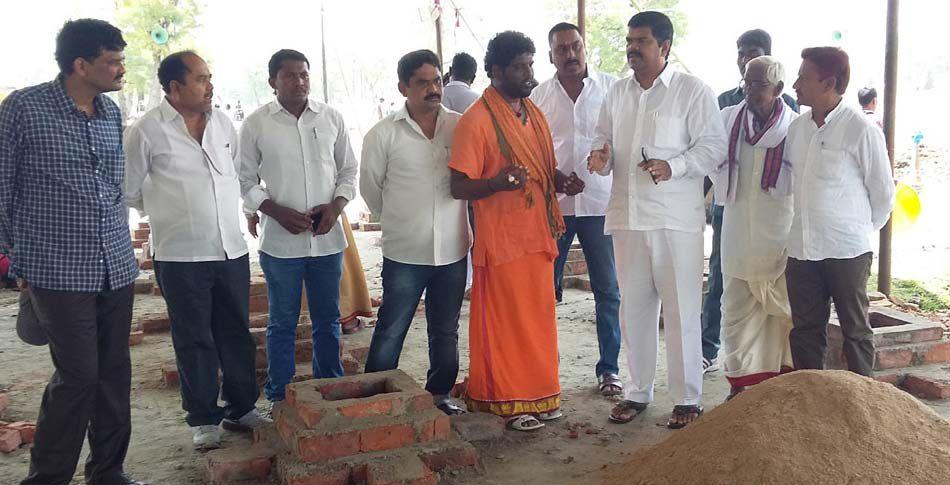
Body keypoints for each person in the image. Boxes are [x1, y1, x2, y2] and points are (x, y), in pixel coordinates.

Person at [0, 19, 146, 485]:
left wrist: (125, 249)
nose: (121, 70)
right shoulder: (24, 108)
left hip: (115, 267)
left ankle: (108, 472)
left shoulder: (110, 113)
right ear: (80, 65)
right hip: (56, 271)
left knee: (113, 375)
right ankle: (46, 479)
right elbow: (2, 187)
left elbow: (111, 187)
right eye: (113, 62)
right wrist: (13, 261)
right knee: (79, 376)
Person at [588, 11, 726, 429]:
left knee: (682, 310)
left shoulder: (692, 91)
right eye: (630, 41)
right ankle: (636, 392)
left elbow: (715, 147)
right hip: (628, 218)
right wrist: (601, 154)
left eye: (641, 42)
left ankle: (687, 398)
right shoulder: (617, 93)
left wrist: (677, 166)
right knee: (634, 310)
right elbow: (603, 136)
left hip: (673, 221)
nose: (632, 48)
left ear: (664, 47)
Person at [124, 51, 266, 450]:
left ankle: (241, 407)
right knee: (194, 338)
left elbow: (236, 176)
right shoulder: (146, 130)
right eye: (201, 79)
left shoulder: (222, 122)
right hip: (181, 255)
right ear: (174, 87)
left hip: (230, 250)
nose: (210, 85)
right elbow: (130, 191)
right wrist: (175, 210)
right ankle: (203, 418)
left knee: (236, 333)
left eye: (209, 76)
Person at [449, 31, 583, 431]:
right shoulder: (477, 120)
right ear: (495, 71)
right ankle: (507, 400)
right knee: (508, 324)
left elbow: (541, 169)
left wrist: (563, 182)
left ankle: (542, 394)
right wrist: (496, 184)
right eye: (519, 67)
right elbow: (458, 186)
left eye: (530, 65)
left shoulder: (533, 113)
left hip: (539, 236)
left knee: (539, 319)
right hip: (503, 241)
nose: (529, 74)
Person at [239, 49, 358, 407]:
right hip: (281, 244)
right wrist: (273, 210)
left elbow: (349, 171)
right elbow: (243, 178)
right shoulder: (257, 124)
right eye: (289, 75)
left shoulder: (330, 117)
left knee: (327, 320)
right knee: (282, 324)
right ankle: (279, 396)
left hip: (326, 240)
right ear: (272, 81)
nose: (299, 81)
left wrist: (336, 208)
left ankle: (330, 389)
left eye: (304, 74)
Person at [361, 49, 471, 415]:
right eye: (422, 82)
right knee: (392, 328)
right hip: (405, 251)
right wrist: (400, 221)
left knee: (445, 329)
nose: (433, 88)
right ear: (403, 87)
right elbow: (371, 190)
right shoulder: (383, 135)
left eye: (437, 80)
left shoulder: (460, 126)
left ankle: (439, 394)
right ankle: (375, 397)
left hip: (453, 248)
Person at [785, 47, 894, 376]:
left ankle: (864, 406)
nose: (795, 84)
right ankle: (811, 402)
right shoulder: (797, 128)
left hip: (847, 250)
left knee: (855, 332)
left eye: (803, 77)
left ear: (829, 82)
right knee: (805, 332)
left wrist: (857, 231)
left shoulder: (861, 129)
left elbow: (883, 193)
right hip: (802, 249)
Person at [530, 22, 622, 397]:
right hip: (555, 207)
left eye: (576, 47)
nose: (570, 55)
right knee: (543, 290)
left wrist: (605, 159)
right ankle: (541, 372)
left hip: (600, 203)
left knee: (608, 290)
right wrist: (555, 178)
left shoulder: (613, 89)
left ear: (585, 48)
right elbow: (532, 148)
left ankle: (610, 370)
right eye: (562, 49)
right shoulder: (538, 96)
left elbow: (622, 141)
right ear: (550, 55)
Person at [705, 28, 799, 374]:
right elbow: (706, 159)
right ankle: (741, 385)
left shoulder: (796, 126)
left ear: (778, 89)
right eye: (746, 83)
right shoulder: (728, 118)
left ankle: (777, 384)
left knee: (779, 313)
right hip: (735, 231)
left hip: (777, 234)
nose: (749, 90)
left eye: (758, 84)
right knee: (734, 308)